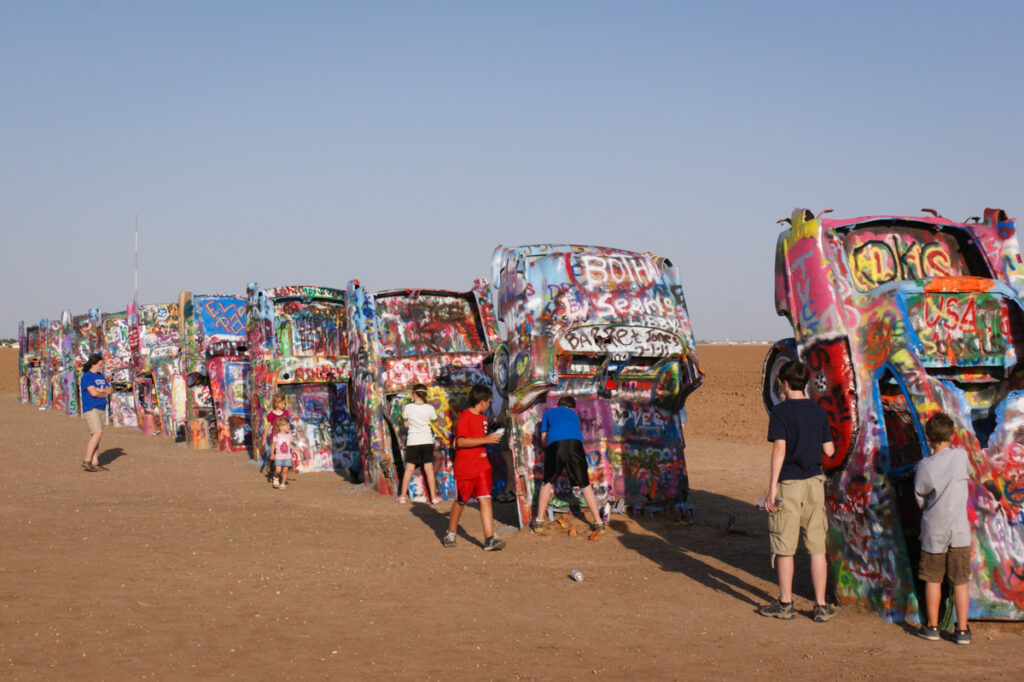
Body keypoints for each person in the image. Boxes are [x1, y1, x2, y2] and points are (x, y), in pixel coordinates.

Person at [758, 360, 836, 622]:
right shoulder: (819, 412)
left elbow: (779, 450)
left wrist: (771, 489)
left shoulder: (781, 413)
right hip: (815, 483)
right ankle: (821, 606)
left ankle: (785, 603)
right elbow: (830, 451)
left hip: (789, 483)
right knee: (817, 547)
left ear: (786, 384)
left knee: (784, 545)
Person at [914, 413, 972, 644]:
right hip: (958, 530)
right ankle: (963, 631)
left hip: (934, 529)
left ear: (928, 437)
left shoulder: (924, 466)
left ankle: (932, 626)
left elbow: (920, 498)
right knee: (960, 581)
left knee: (933, 579)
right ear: (952, 435)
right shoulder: (961, 456)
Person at [530, 396, 605, 537]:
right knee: (585, 484)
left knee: (547, 483)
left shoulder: (548, 413)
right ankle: (599, 523)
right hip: (574, 445)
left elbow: (544, 439)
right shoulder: (574, 415)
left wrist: (552, 446)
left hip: (555, 445)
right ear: (571, 407)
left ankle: (539, 521)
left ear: (559, 405)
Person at [443, 385, 505, 551]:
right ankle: (451, 532)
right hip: (466, 467)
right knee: (461, 501)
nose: (489, 405)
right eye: (489, 402)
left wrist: (489, 439)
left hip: (482, 466)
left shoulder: (483, 419)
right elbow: (460, 442)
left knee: (485, 498)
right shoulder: (464, 418)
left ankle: (489, 538)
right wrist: (486, 440)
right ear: (482, 402)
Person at [397, 383, 442, 504]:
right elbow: (436, 424)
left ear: (415, 394)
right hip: (427, 441)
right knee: (428, 469)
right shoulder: (430, 408)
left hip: (413, 441)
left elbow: (406, 425)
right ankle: (433, 497)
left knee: (409, 469)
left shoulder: (408, 408)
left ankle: (402, 496)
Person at [482, 354, 516, 503]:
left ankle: (511, 489)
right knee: (506, 456)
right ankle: (510, 488)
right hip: (499, 422)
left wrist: (497, 417)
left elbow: (506, 399)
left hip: (504, 423)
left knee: (508, 456)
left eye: (485, 369)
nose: (485, 372)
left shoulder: (502, 380)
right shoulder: (495, 383)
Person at [80, 354, 114, 472]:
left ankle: (95, 462)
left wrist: (103, 391)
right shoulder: (87, 376)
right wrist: (104, 392)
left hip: (101, 407)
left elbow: (109, 389)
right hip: (91, 407)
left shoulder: (100, 376)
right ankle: (87, 460)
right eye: (100, 365)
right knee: (97, 433)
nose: (101, 367)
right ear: (93, 364)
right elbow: (93, 393)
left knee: (96, 436)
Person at [262, 394, 291, 475]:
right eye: (282, 403)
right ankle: (270, 463)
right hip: (274, 437)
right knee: (274, 451)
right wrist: (264, 438)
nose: (284, 405)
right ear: (276, 404)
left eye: (284, 403)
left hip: (284, 436)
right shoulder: (272, 414)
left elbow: (287, 425)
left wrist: (290, 435)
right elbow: (268, 427)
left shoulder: (285, 413)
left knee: (284, 450)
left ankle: (283, 466)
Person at [271, 416, 294, 490]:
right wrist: (272, 454)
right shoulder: (277, 436)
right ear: (281, 427)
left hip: (287, 457)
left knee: (285, 471)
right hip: (279, 457)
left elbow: (290, 445)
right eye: (287, 426)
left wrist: (296, 449)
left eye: (289, 425)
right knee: (278, 470)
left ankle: (283, 483)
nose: (288, 427)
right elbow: (273, 445)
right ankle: (276, 477)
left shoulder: (289, 435)